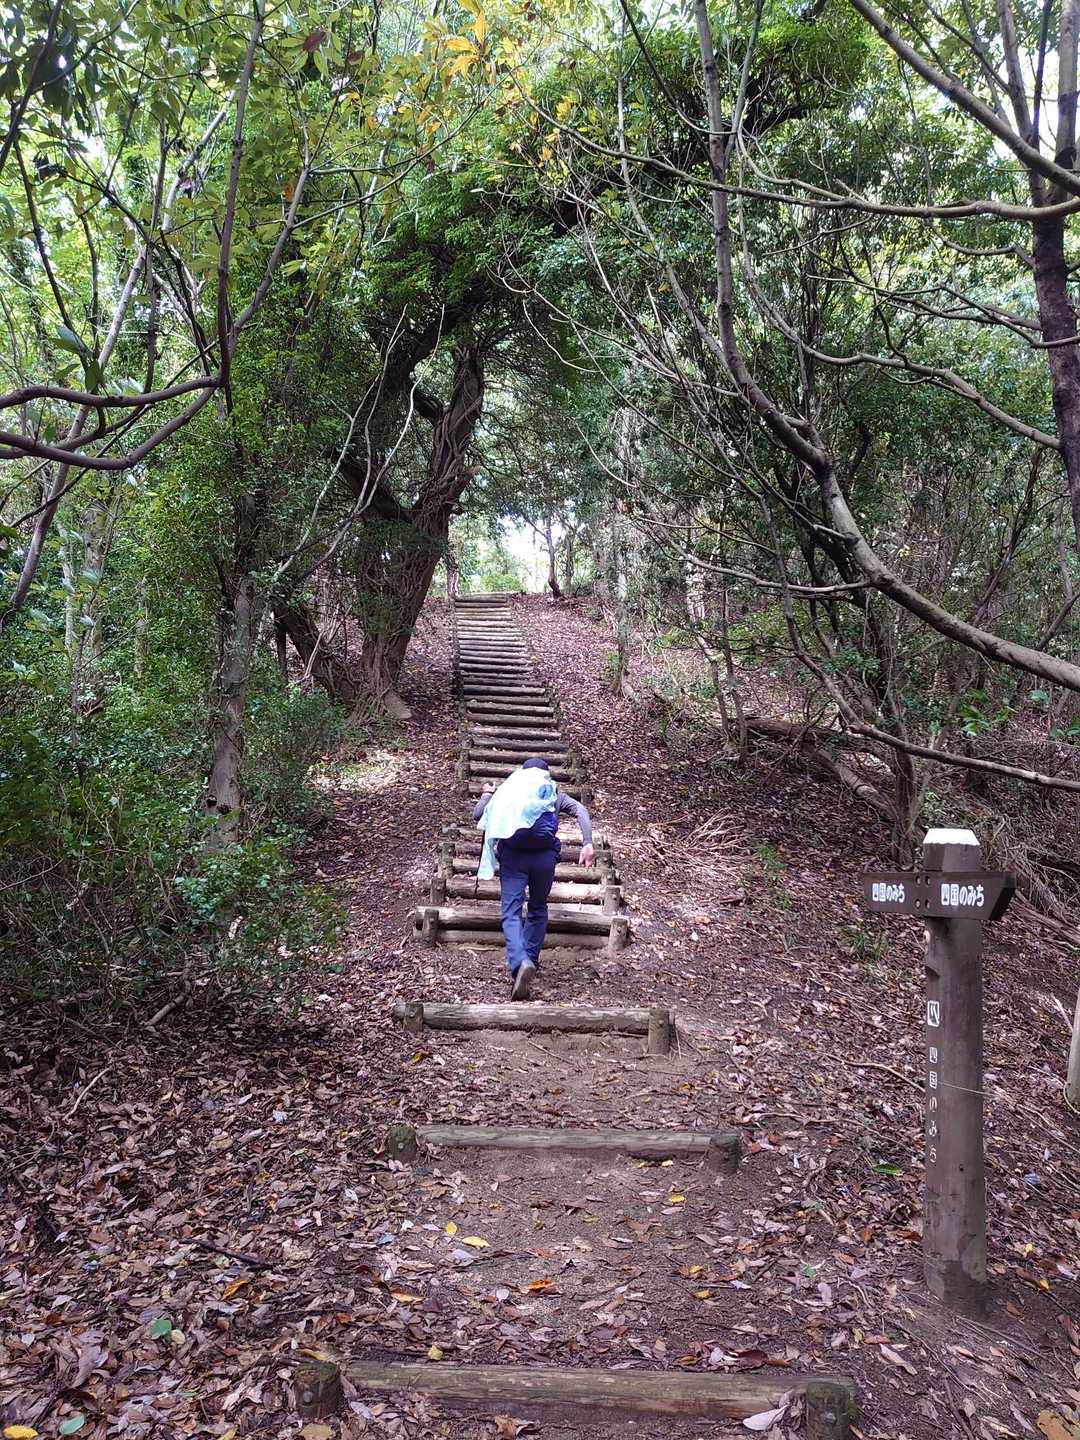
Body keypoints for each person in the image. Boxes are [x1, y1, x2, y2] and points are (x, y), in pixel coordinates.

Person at [473, 757, 595, 1000]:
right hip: (544, 859)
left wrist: (486, 794)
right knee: (538, 908)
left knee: (511, 912)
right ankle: (530, 959)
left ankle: (520, 962)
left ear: (522, 773)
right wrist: (588, 842)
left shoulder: (509, 790)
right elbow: (581, 810)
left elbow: (478, 815)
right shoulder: (553, 793)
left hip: (514, 858)